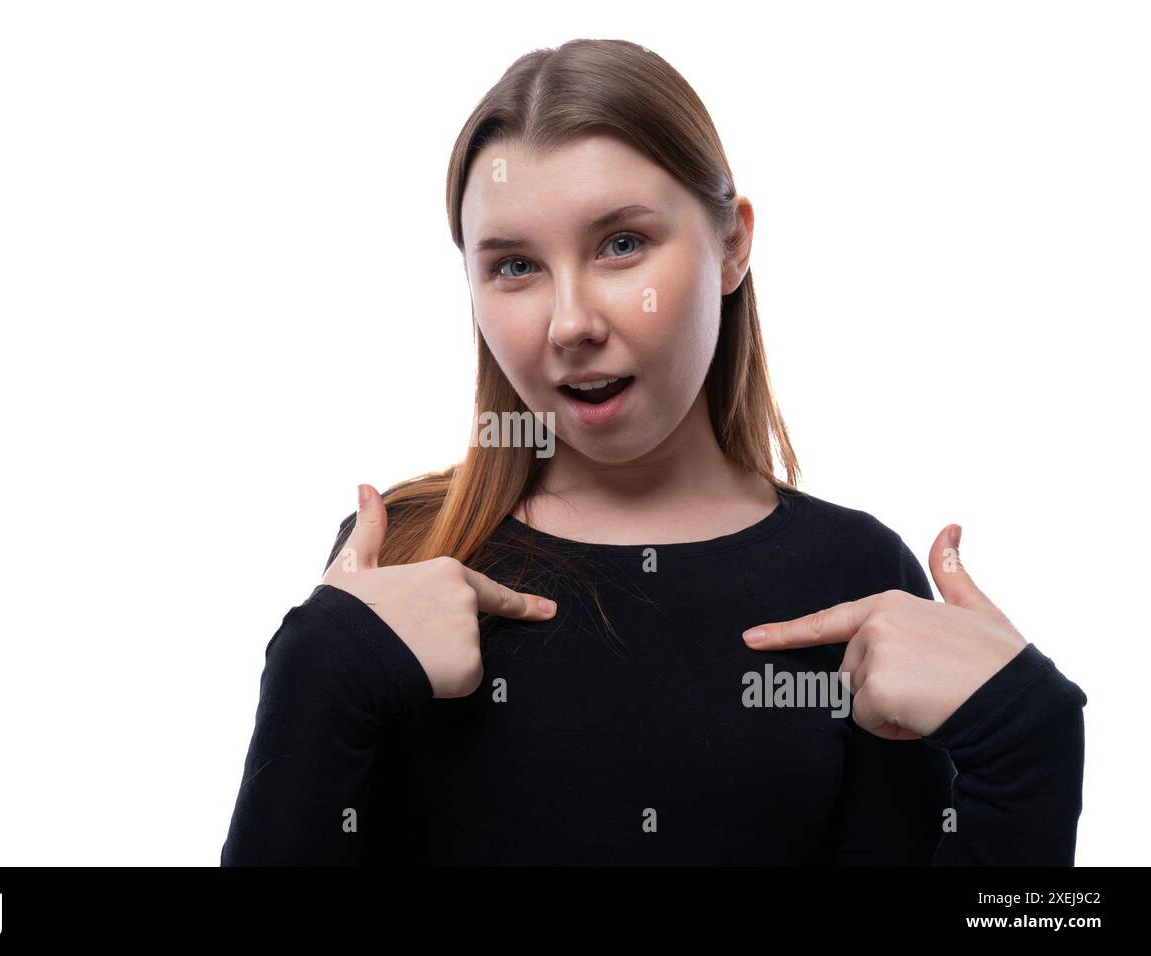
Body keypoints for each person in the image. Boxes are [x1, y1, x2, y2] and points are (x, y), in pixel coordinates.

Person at [220, 38, 1086, 865]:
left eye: (621, 245)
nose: (570, 324)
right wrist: (317, 672)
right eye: (514, 266)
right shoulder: (400, 560)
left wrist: (1027, 744)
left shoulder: (855, 577)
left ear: (731, 246)